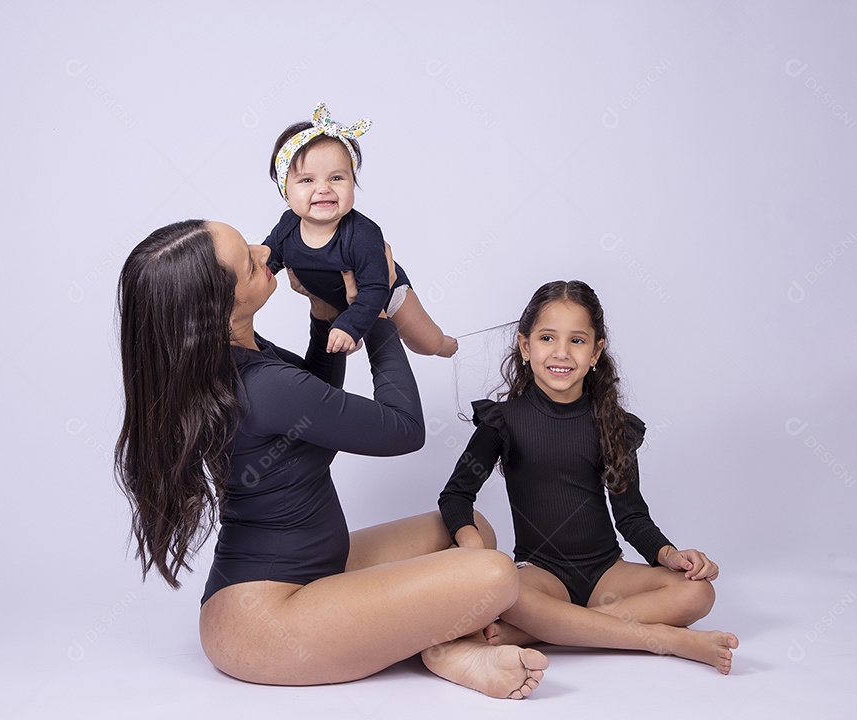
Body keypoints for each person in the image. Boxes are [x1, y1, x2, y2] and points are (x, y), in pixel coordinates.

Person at [114, 219, 547, 697]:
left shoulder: (232, 357)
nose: (264, 250)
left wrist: (325, 314)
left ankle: (438, 641)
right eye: (248, 262)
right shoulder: (261, 386)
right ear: (219, 308)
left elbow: (314, 401)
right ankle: (448, 646)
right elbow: (404, 429)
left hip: (319, 572)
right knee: (494, 573)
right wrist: (375, 308)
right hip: (266, 620)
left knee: (471, 530)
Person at [438, 280, 739, 674]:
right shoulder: (504, 421)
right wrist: (475, 550)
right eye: (547, 338)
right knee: (507, 596)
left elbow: (631, 516)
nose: (561, 353)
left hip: (607, 574)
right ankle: (667, 639)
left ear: (596, 352)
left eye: (577, 341)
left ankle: (547, 629)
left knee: (698, 593)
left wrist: (670, 555)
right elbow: (456, 496)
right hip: (541, 576)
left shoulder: (612, 425)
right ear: (526, 347)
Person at [263, 102, 458, 357]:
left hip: (384, 293)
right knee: (340, 345)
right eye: (307, 180)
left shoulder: (362, 234)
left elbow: (375, 289)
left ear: (352, 182)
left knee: (426, 343)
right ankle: (352, 329)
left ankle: (443, 343)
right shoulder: (287, 227)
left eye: (336, 178)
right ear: (285, 191)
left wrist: (350, 325)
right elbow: (266, 261)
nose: (323, 188)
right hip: (336, 303)